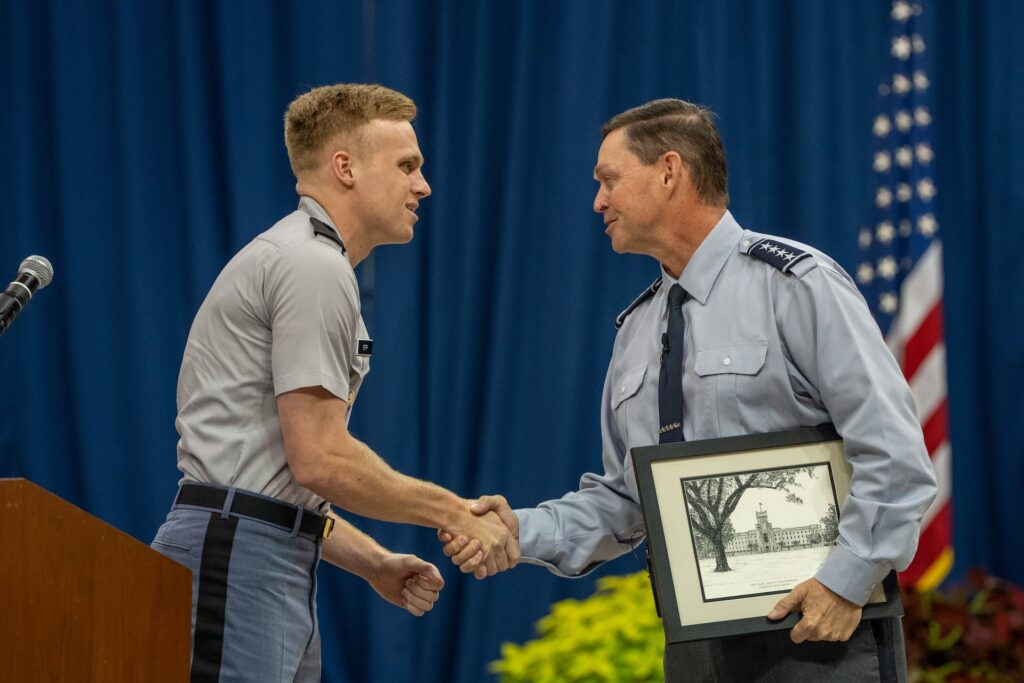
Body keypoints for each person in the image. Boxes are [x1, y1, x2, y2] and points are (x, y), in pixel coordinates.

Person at [443, 99, 937, 681]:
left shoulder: (798, 285)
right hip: (699, 648)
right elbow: (626, 502)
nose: (597, 202)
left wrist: (845, 581)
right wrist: (520, 530)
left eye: (608, 180)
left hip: (822, 633)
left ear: (670, 171)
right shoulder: (636, 330)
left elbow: (895, 453)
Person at [152, 83, 517, 682]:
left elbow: (278, 489)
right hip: (239, 556)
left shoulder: (310, 261)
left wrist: (373, 562)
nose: (422, 186)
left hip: (267, 553)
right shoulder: (310, 265)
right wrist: (456, 512)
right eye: (407, 166)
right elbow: (319, 461)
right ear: (344, 168)